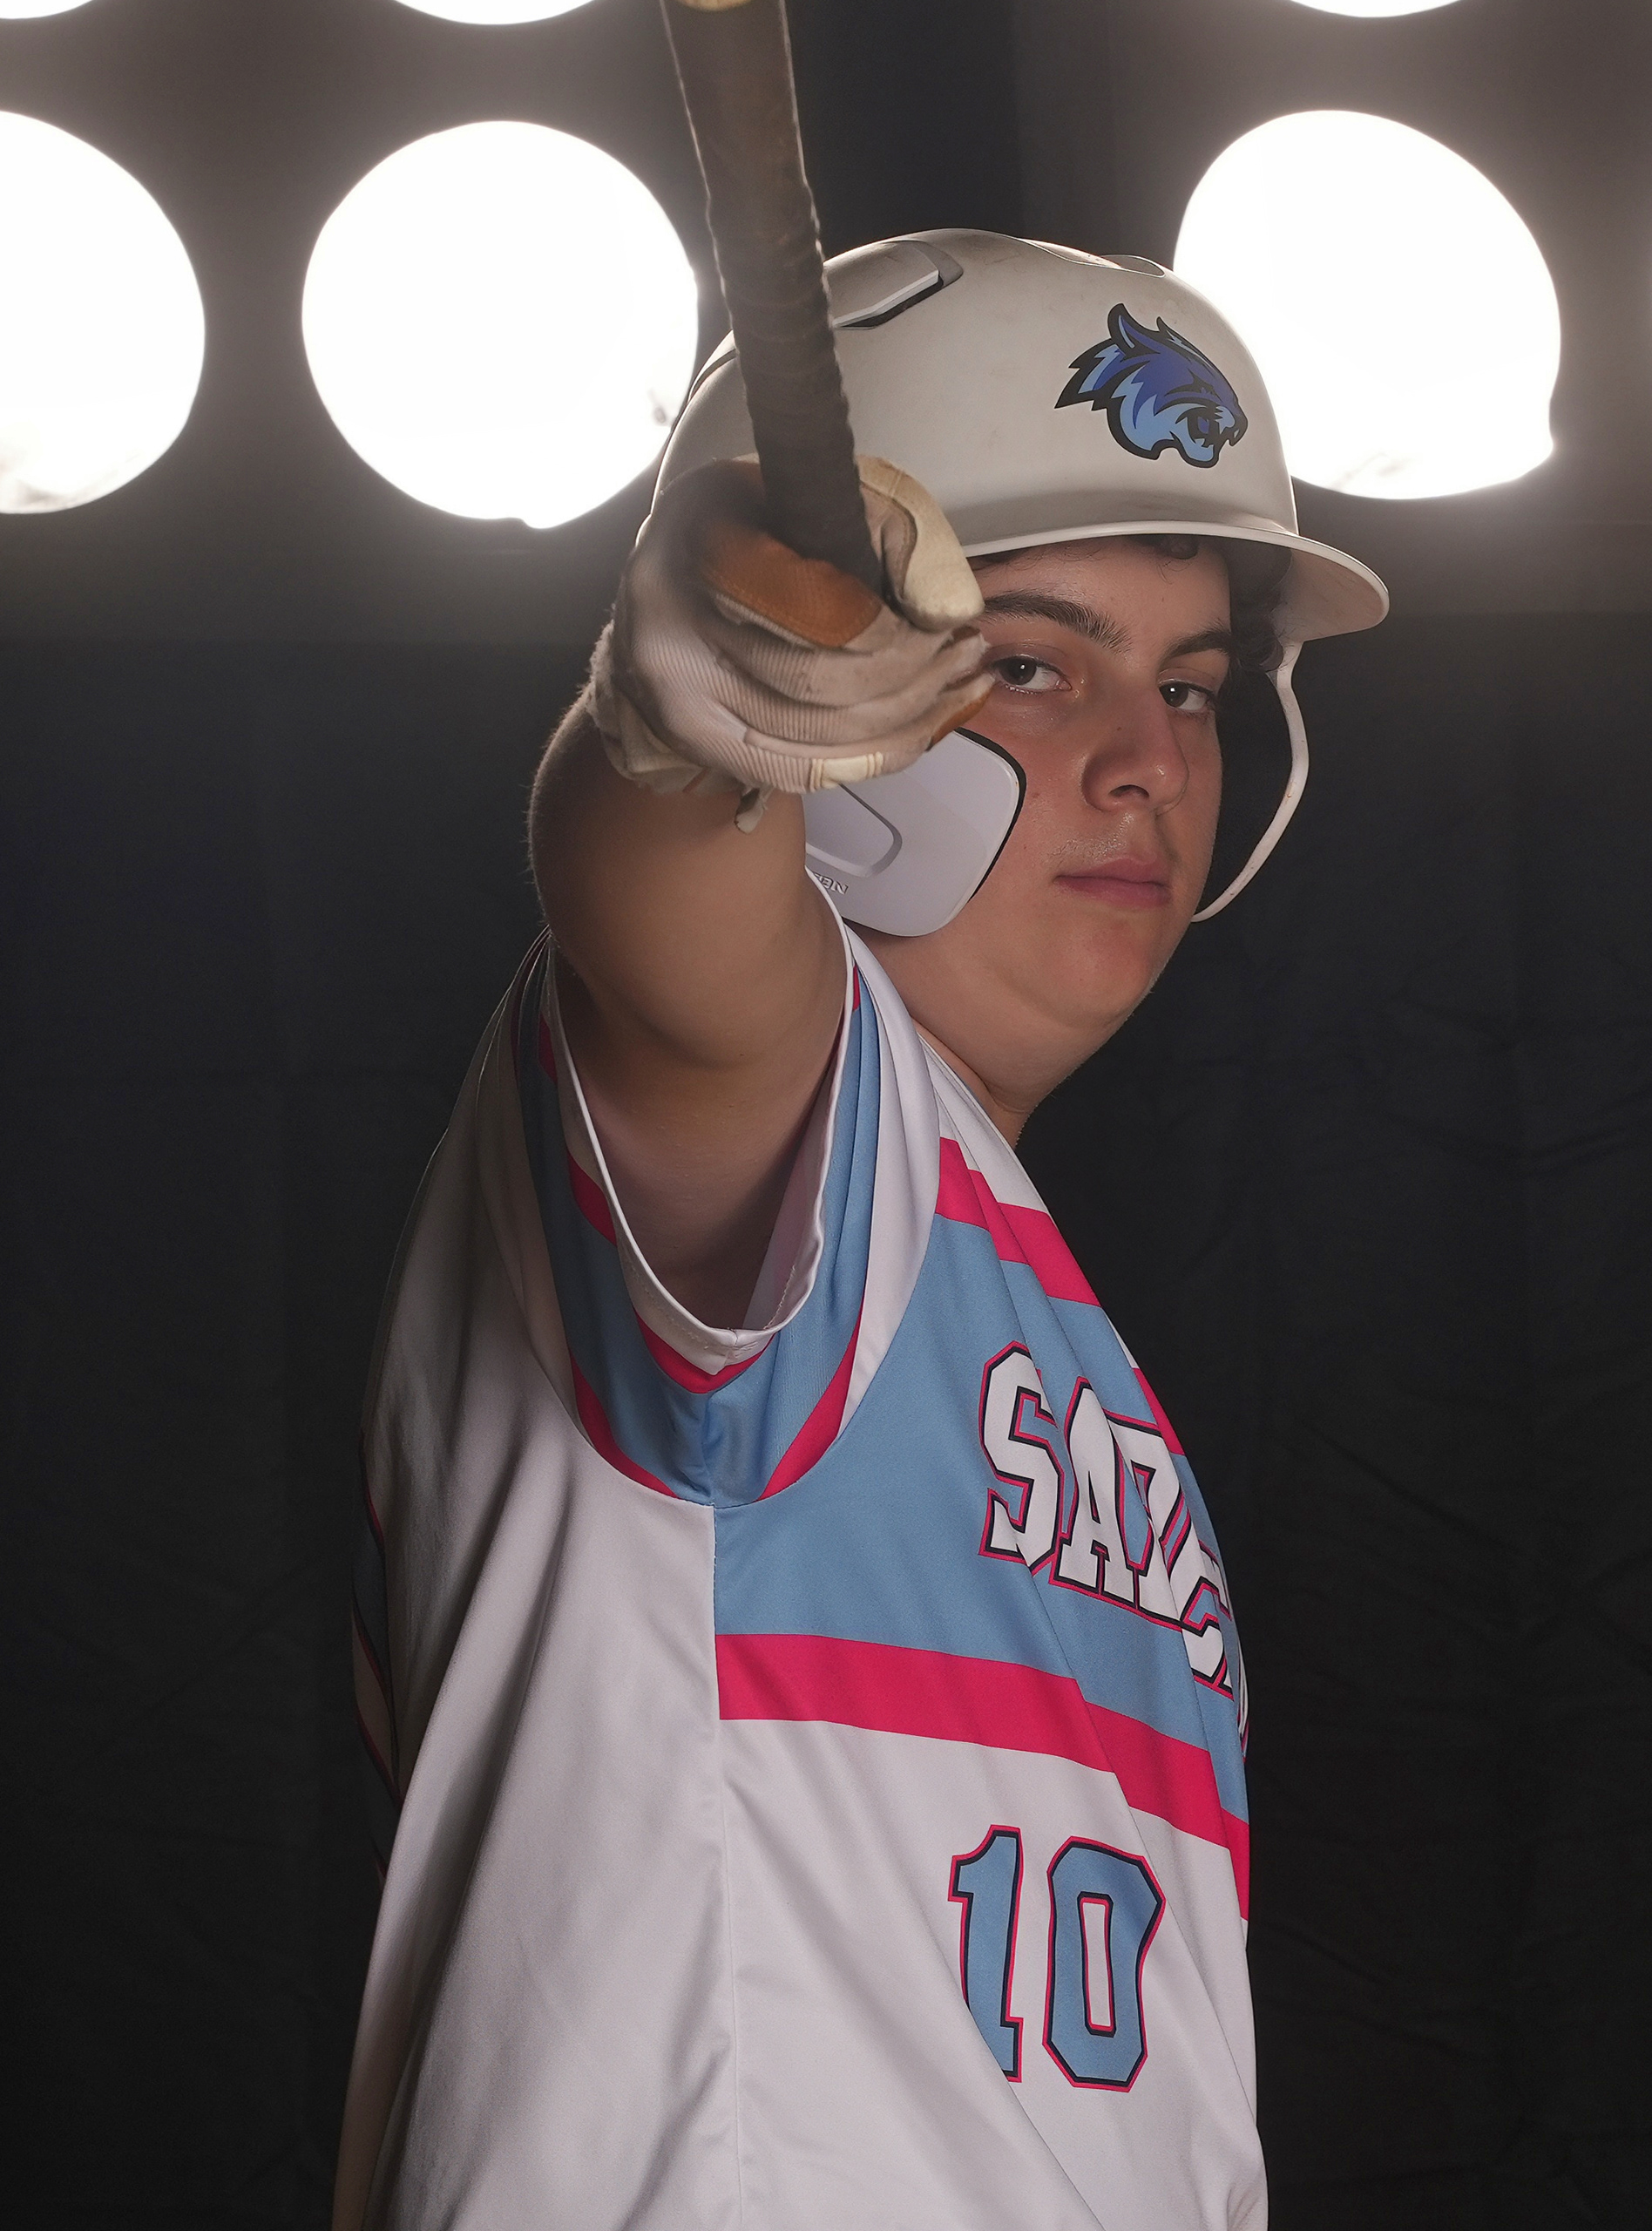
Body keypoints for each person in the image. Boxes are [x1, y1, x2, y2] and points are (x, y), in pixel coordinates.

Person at [334, 233, 1387, 2231]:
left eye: (1187, 684)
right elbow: (668, 922)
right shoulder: (793, 1100)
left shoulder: (1034, 1307)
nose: (1150, 762)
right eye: (1031, 663)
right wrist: (692, 723)